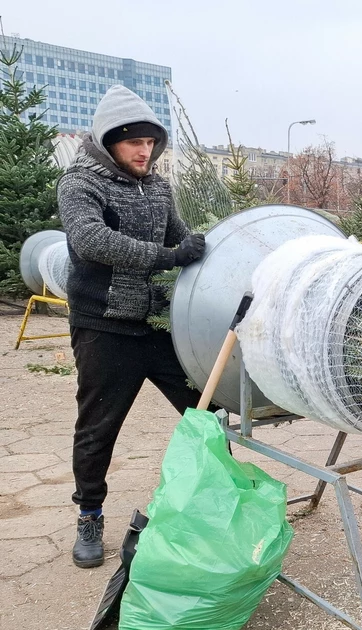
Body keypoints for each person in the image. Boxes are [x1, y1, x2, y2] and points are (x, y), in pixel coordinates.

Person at [57, 85, 206, 569]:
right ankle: (90, 515)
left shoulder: (158, 186)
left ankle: (202, 503)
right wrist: (167, 257)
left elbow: (179, 236)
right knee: (98, 428)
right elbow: (93, 241)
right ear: (108, 143)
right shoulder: (81, 183)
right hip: (104, 329)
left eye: (150, 142)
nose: (144, 151)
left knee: (206, 414)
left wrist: (207, 250)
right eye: (132, 142)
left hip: (160, 326)